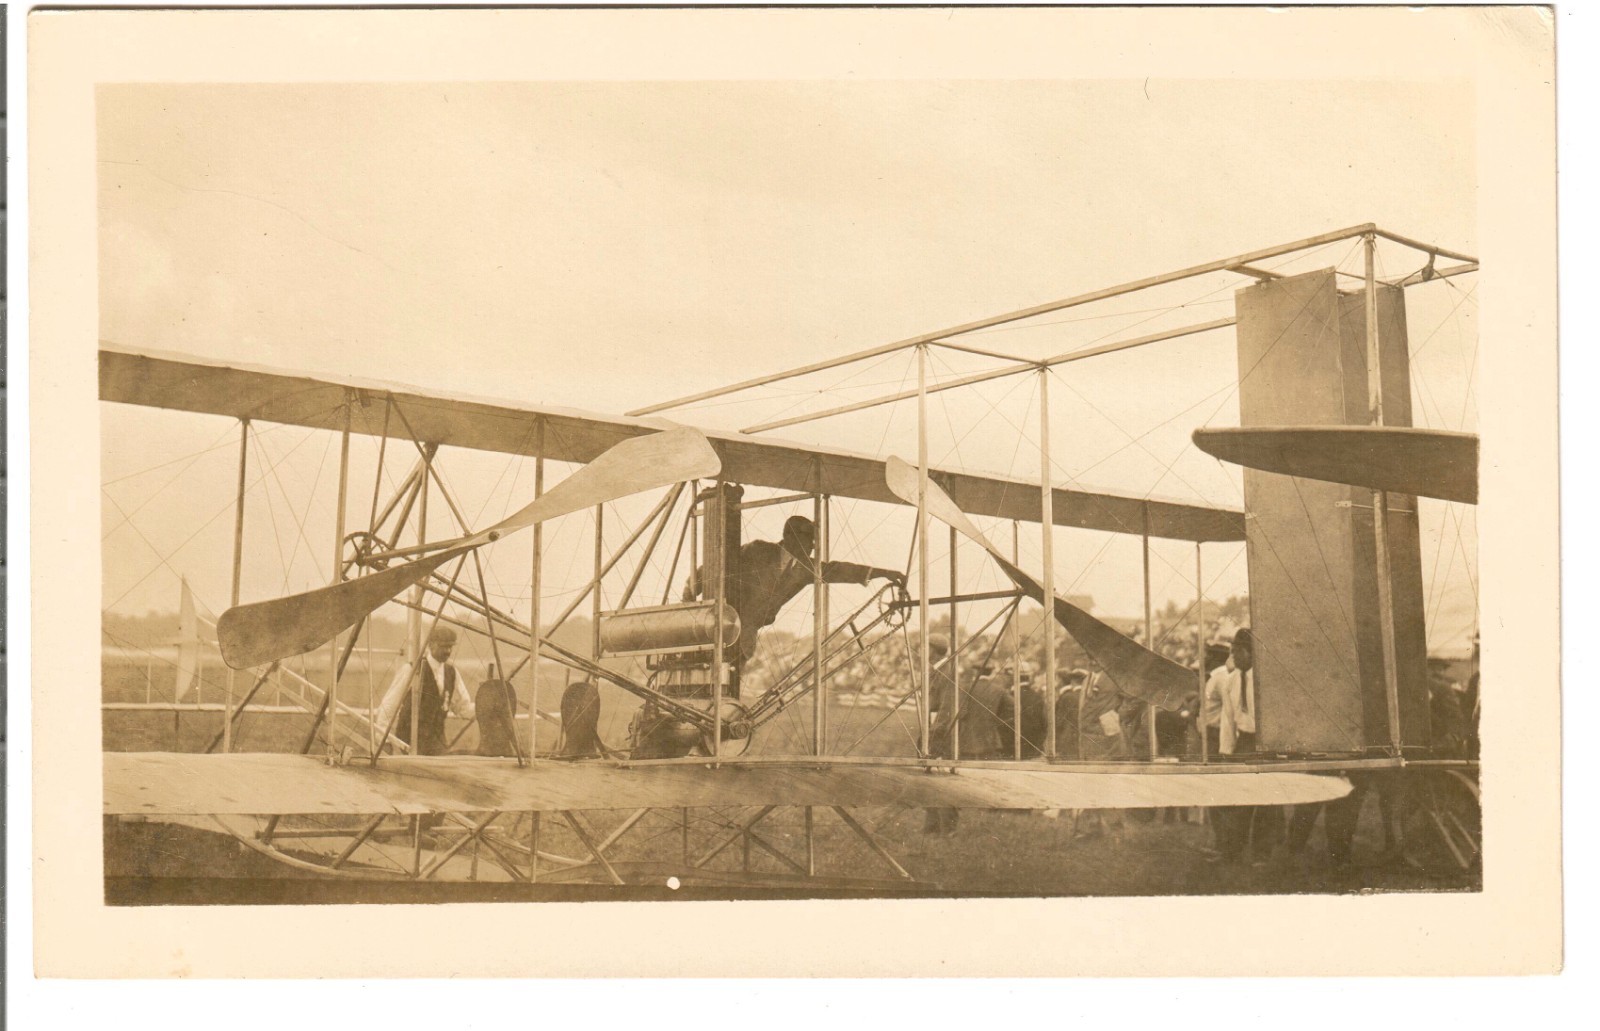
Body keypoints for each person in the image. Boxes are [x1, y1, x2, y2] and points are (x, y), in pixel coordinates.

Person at [687, 515, 905, 663]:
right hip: (719, 629)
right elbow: (719, 563)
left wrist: (883, 572)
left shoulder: (804, 568)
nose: (813, 546)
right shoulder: (758, 550)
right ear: (791, 537)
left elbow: (839, 570)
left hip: (745, 638)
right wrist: (692, 590)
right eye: (809, 540)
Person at [375, 625, 474, 756]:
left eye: (450, 647)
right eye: (443, 646)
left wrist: (486, 707)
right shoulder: (412, 669)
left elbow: (463, 707)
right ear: (431, 645)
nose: (448, 651)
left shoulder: (452, 672)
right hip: (410, 741)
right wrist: (384, 740)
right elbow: (389, 706)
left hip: (437, 741)